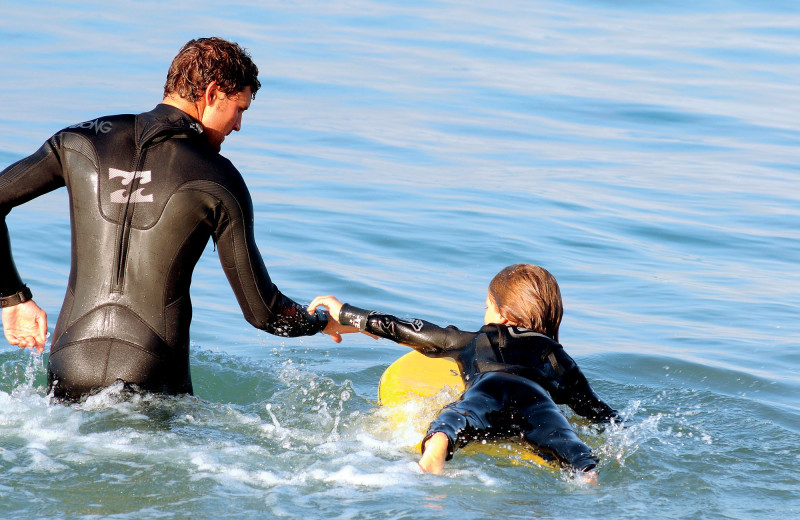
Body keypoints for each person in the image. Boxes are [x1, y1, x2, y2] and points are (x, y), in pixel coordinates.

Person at [0, 37, 356, 400]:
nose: (238, 126)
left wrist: (12, 298)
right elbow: (263, 312)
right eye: (240, 109)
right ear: (213, 92)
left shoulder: (79, 141)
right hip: (152, 371)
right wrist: (319, 322)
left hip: (70, 361)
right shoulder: (218, 177)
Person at [308, 263, 618, 475]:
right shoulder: (558, 359)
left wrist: (347, 313)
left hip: (489, 389)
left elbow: (406, 328)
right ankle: (588, 477)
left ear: (503, 314)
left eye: (487, 305)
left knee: (456, 418)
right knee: (568, 444)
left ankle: (434, 457)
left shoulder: (475, 340)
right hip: (535, 401)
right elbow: (595, 410)